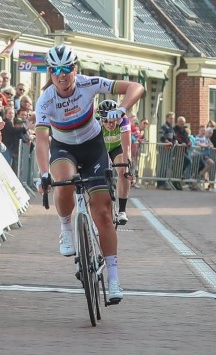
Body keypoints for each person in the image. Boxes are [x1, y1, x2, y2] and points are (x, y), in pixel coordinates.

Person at [35, 45, 144, 302]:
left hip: (93, 146)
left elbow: (135, 87)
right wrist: (42, 174)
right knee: (63, 183)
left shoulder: (89, 84)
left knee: (104, 213)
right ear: (50, 73)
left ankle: (114, 278)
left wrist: (123, 108)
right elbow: (41, 140)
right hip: (64, 148)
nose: (62, 75)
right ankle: (65, 227)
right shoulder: (45, 100)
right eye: (55, 70)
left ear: (76, 69)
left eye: (67, 69)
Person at [98, 99, 132, 224]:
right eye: (106, 121)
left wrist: (127, 167)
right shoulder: (95, 121)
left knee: (123, 171)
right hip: (101, 148)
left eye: (112, 121)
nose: (110, 124)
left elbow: (126, 147)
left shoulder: (124, 121)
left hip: (117, 148)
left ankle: (122, 211)